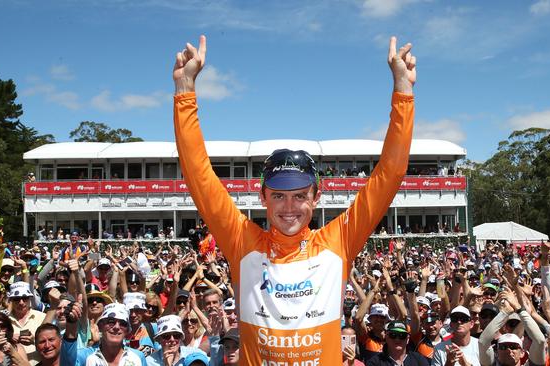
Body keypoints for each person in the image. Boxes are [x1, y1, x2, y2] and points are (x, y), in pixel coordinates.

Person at [173, 34, 416, 365]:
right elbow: (198, 175)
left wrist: (403, 91)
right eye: (279, 196)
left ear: (317, 197)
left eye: (300, 195)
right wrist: (185, 91)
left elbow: (391, 173)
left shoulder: (337, 241)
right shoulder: (242, 241)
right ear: (263, 197)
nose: (289, 208)